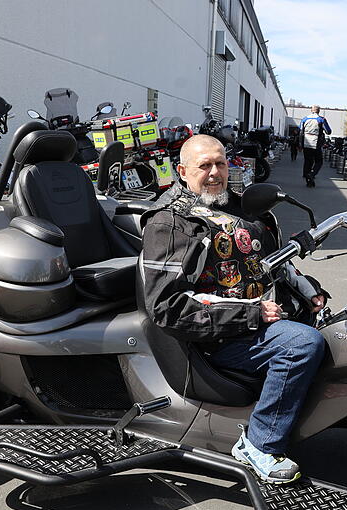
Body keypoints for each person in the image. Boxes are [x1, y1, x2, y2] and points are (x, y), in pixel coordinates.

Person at [140, 134, 328, 484]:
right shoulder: (170, 224)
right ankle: (258, 445)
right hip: (218, 338)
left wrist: (308, 290)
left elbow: (272, 263)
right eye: (204, 166)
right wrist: (251, 315)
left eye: (221, 163)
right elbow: (166, 307)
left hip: (261, 321)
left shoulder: (244, 209)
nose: (215, 173)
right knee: (301, 344)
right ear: (182, 171)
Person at [299, 105, 331, 187]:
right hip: (316, 143)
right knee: (319, 161)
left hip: (306, 143)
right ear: (318, 111)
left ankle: (308, 179)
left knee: (307, 161)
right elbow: (328, 131)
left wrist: (300, 144)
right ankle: (312, 174)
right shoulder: (321, 119)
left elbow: (300, 131)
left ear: (311, 110)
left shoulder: (304, 119)